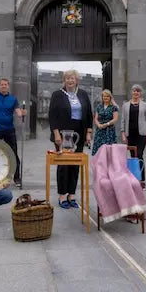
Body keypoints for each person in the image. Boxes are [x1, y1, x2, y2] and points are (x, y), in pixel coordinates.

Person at [48, 69, 93, 209]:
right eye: (67, 78)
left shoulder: (83, 94)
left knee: (75, 165)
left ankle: (71, 195)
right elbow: (52, 115)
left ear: (76, 80)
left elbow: (89, 114)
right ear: (64, 80)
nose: (70, 80)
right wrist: (56, 134)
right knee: (64, 165)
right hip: (63, 134)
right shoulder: (57, 95)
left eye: (72, 78)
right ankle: (62, 195)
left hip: (79, 133)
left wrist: (88, 133)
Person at [120, 84, 146, 183]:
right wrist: (123, 134)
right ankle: (134, 179)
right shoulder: (125, 105)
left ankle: (141, 180)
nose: (136, 93)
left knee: (139, 155)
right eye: (134, 91)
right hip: (130, 134)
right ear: (131, 92)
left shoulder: (144, 105)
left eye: (138, 91)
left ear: (140, 93)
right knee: (133, 156)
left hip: (142, 134)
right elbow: (123, 120)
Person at [92, 89, 119, 156]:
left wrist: (107, 124)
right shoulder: (99, 107)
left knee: (109, 151)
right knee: (99, 150)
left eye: (107, 96)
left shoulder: (114, 107)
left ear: (110, 97)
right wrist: (98, 125)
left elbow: (115, 119)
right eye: (104, 96)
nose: (105, 98)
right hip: (100, 130)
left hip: (109, 131)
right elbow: (96, 118)